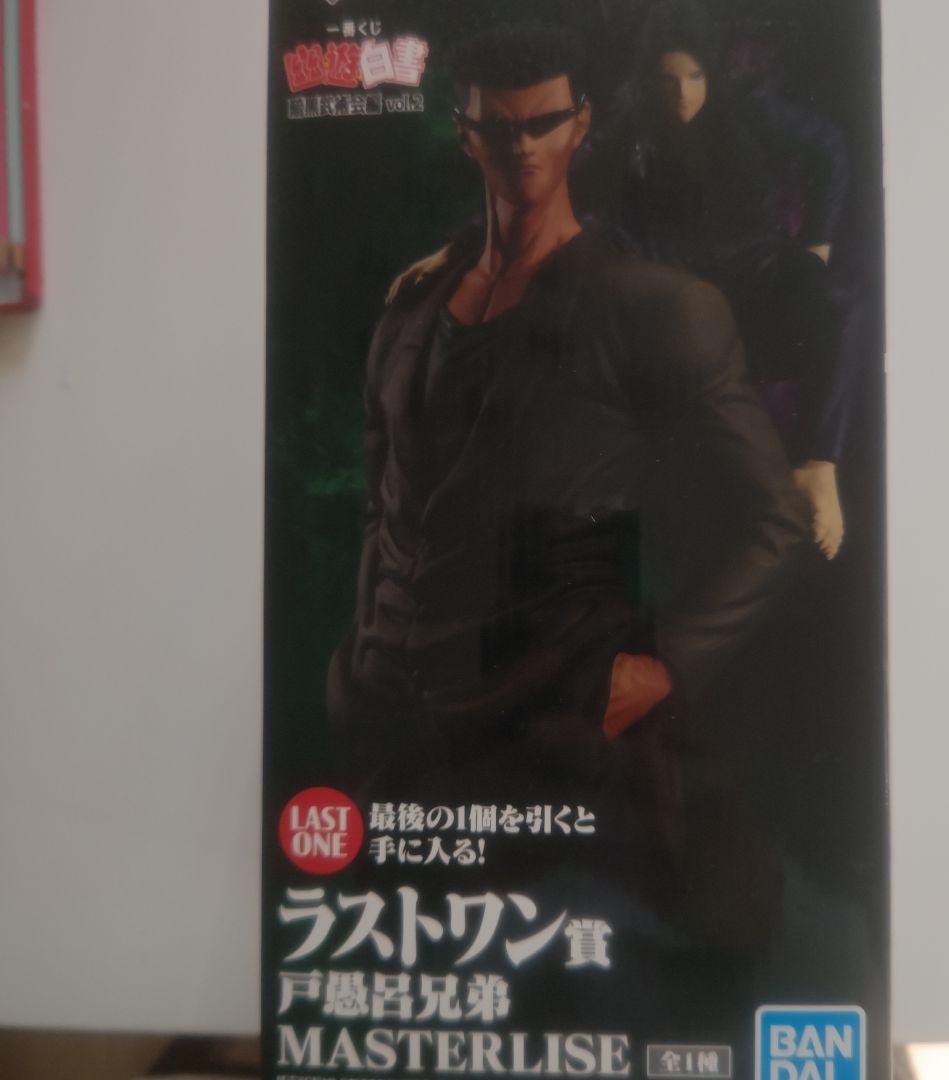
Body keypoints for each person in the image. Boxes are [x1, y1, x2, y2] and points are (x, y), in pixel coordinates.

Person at [328, 24, 809, 937]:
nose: (523, 147)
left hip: (556, 732)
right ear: (466, 133)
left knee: (600, 961)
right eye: (500, 127)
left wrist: (662, 667)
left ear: (580, 124)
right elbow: (381, 506)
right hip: (396, 729)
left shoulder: (653, 308)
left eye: (543, 123)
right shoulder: (411, 309)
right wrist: (358, 659)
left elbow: (776, 521)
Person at [597, 1, 852, 560]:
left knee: (838, 307)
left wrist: (818, 242)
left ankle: (819, 467)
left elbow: (830, 149)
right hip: (680, 305)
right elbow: (554, 185)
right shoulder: (627, 129)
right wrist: (465, 246)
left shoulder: (750, 110)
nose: (682, 94)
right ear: (648, 82)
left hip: (756, 281)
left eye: (695, 77)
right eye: (667, 81)